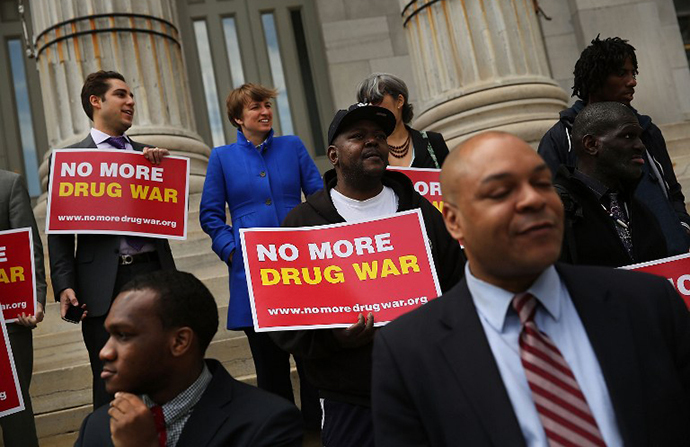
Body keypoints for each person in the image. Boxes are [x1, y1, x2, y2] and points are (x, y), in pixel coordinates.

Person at [371, 131, 690, 446]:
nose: (533, 200)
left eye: (541, 183)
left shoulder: (649, 302)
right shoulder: (407, 355)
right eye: (500, 191)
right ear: (454, 221)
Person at [271, 103, 464, 447]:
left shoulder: (423, 212)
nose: (373, 142)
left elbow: (458, 285)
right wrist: (333, 339)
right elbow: (285, 320)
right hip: (350, 399)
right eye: (358, 136)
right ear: (333, 154)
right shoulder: (302, 224)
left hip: (429, 385)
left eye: (379, 136)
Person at [48, 70, 176, 409]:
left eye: (132, 95)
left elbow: (168, 216)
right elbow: (59, 234)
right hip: (102, 286)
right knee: (109, 377)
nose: (131, 101)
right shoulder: (71, 161)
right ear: (96, 101)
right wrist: (64, 284)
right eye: (121, 94)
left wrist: (161, 174)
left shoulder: (151, 158)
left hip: (154, 276)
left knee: (162, 370)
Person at [199, 83, 323, 429]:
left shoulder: (292, 146)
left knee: (312, 358)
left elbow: (318, 196)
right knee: (270, 367)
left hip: (302, 269)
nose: (264, 111)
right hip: (253, 276)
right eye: (255, 107)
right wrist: (233, 252)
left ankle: (321, 430)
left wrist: (313, 239)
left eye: (267, 105)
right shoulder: (222, 157)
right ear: (239, 118)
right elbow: (210, 215)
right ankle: (282, 435)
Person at [74, 270, 303, 447]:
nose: (105, 352)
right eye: (109, 335)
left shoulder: (266, 423)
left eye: (124, 335)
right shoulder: (97, 427)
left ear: (180, 342)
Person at [538, 36, 690, 255]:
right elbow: (548, 204)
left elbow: (672, 190)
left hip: (671, 260)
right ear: (596, 79)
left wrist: (682, 227)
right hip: (608, 270)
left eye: (633, 73)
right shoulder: (562, 138)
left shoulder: (648, 130)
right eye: (622, 73)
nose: (632, 81)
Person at [556, 102, 668, 266]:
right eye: (628, 136)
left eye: (640, 137)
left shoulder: (641, 212)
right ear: (592, 145)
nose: (640, 146)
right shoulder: (556, 211)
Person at [0, 170, 46, 447]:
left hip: (9, 322)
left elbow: (29, 249)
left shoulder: (7, 184)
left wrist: (33, 299)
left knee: (15, 412)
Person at [356, 73, 449, 168]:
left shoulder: (433, 142)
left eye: (376, 99)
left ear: (400, 101)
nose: (371, 106)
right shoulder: (366, 148)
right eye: (366, 103)